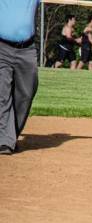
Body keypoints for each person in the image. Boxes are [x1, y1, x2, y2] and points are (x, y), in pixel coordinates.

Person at [0, 0, 40, 156]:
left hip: (27, 49)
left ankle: (10, 136)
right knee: (2, 95)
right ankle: (4, 140)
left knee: (26, 94)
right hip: (2, 47)